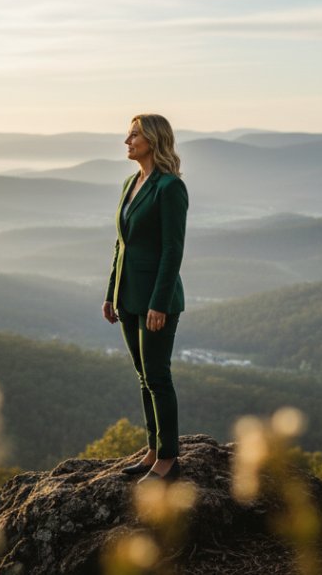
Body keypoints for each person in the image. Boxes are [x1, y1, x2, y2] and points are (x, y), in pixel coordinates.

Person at [102, 113, 188, 483]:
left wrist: (159, 303)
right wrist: (110, 293)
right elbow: (121, 245)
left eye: (134, 135)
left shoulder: (170, 188)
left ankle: (168, 458)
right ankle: (152, 449)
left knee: (157, 376)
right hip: (128, 296)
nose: (127, 141)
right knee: (143, 377)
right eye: (129, 134)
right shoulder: (130, 183)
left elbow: (172, 250)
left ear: (153, 140)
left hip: (156, 299)